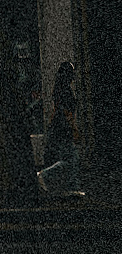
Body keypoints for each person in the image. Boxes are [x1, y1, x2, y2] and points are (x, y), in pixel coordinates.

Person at [38, 61, 83, 195]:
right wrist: (74, 129)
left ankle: (71, 186)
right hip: (64, 129)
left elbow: (56, 110)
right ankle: (44, 175)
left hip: (57, 128)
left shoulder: (58, 90)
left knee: (69, 158)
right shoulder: (67, 92)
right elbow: (67, 113)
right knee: (71, 159)